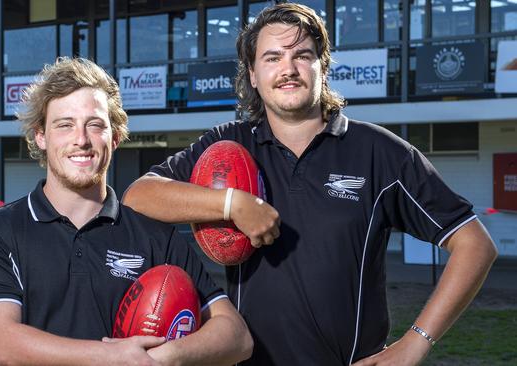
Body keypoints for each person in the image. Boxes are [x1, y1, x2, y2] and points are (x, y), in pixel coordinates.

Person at [122, 3, 497, 366]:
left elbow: (475, 244)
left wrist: (417, 342)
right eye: (272, 58)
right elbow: (139, 196)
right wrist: (231, 204)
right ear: (252, 74)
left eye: (302, 55)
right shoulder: (228, 145)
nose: (288, 69)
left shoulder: (379, 152)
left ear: (323, 65)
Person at [0, 57, 253, 366]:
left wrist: (162, 358)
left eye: (95, 125)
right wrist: (113, 357)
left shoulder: (156, 235)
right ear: (41, 136)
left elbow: (237, 336)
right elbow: (6, 348)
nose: (81, 140)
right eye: (65, 125)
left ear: (115, 137)